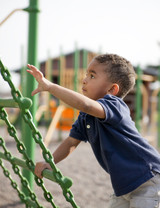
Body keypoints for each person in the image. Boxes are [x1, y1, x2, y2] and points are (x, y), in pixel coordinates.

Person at [27, 53, 160, 208]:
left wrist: (50, 87)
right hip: (124, 185)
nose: (84, 80)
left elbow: (86, 105)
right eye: (86, 74)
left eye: (92, 76)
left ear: (112, 89)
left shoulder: (114, 105)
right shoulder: (86, 116)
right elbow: (71, 141)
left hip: (147, 177)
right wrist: (50, 161)